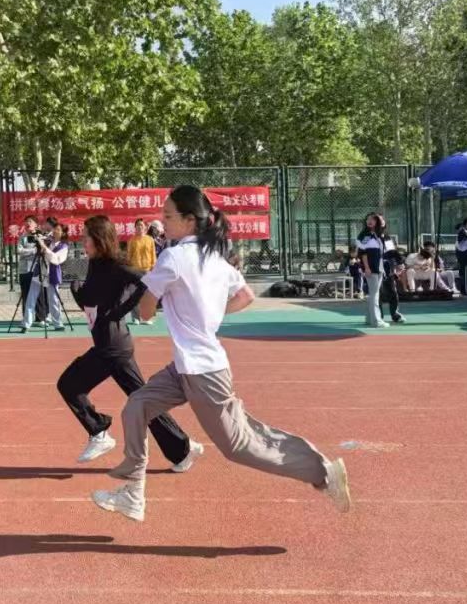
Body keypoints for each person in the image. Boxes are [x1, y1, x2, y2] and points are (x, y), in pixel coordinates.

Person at [91, 185, 350, 522]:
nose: (162, 221)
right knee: (137, 407)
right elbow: (245, 296)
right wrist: (209, 317)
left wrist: (159, 303)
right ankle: (133, 494)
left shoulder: (174, 257)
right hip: (186, 367)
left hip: (204, 373)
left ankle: (323, 474)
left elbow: (144, 310)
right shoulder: (214, 258)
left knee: (239, 445)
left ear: (189, 221)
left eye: (168, 216)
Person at [58, 214, 201, 471]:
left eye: (86, 236)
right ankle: (183, 449)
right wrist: (77, 288)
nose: (82, 241)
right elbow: (89, 298)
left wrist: (121, 311)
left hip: (111, 348)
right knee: (143, 401)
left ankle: (99, 431)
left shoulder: (115, 266)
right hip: (113, 345)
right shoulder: (93, 265)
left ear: (99, 239)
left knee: (68, 384)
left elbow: (146, 281)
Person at [22, 219, 69, 332]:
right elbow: (36, 242)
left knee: (53, 299)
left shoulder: (63, 246)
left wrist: (44, 247)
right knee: (31, 298)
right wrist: (37, 237)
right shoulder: (48, 240)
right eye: (55, 229)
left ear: (63, 233)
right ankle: (26, 324)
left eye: (58, 230)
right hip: (39, 272)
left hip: (52, 274)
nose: (55, 231)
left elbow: (56, 260)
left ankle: (57, 323)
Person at [356, 213, 390, 328]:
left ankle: (369, 318)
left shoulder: (379, 235)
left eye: (373, 219)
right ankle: (376, 321)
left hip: (379, 267)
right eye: (368, 219)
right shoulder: (365, 235)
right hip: (371, 268)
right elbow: (362, 253)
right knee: (374, 295)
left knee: (373, 294)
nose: (369, 221)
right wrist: (366, 268)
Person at [16, 215, 49, 325]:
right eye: (26, 222)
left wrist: (38, 241)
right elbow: (19, 251)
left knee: (39, 294)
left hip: (38, 269)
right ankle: (26, 318)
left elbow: (44, 250)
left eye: (30, 221)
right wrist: (33, 250)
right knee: (25, 294)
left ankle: (41, 318)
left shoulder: (40, 236)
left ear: (36, 224)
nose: (27, 223)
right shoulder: (22, 237)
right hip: (24, 270)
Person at [125, 218, 156, 325]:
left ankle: (147, 318)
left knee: (147, 294)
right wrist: (129, 269)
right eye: (138, 225)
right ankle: (136, 317)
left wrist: (153, 267)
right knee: (134, 294)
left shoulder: (150, 240)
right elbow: (129, 256)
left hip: (147, 270)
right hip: (135, 270)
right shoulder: (132, 240)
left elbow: (153, 254)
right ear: (135, 227)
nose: (139, 227)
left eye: (141, 225)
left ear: (145, 228)